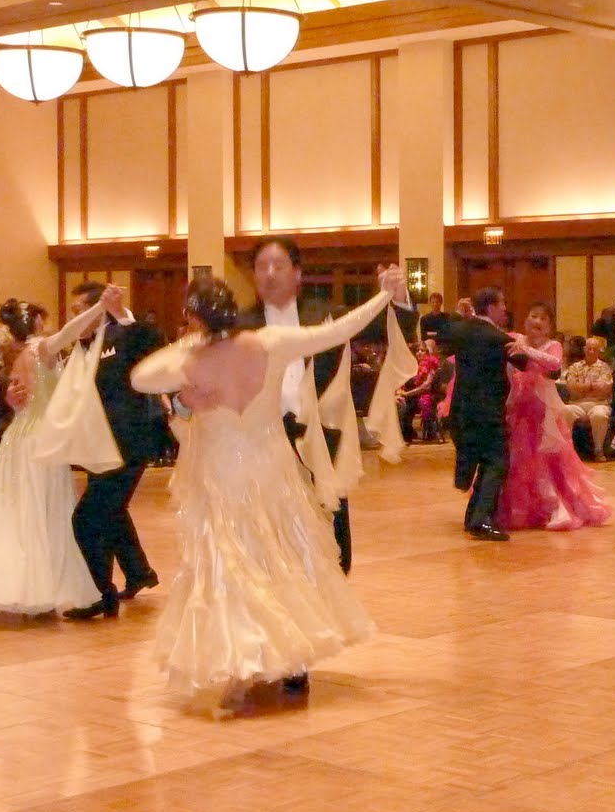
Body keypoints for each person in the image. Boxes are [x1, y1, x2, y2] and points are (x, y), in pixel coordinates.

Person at [130, 269, 408, 715]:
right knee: (280, 559)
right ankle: (283, 657)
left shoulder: (187, 361)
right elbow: (337, 330)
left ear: (193, 318)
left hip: (222, 475)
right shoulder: (270, 343)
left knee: (232, 566)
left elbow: (141, 377)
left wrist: (187, 382)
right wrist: (381, 298)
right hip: (270, 471)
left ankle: (248, 662)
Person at [238, 235, 418, 574]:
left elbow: (386, 327)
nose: (270, 274)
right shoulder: (239, 325)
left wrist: (396, 298)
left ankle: (333, 591)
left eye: (279, 265)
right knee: (270, 535)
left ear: (298, 273)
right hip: (263, 442)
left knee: (330, 533)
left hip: (321, 434)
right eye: (262, 267)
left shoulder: (327, 315)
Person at [0, 294, 116, 624]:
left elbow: (20, 398)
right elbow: (72, 332)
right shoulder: (40, 349)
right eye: (42, 319)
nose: (48, 324)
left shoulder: (20, 355)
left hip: (21, 438)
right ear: (34, 323)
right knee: (39, 516)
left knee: (15, 515)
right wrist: (100, 307)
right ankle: (31, 591)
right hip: (39, 442)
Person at [64, 282, 166, 620]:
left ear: (99, 311)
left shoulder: (121, 337)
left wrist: (122, 315)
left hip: (127, 443)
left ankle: (101, 595)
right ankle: (138, 573)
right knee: (110, 511)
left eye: (80, 310)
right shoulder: (83, 347)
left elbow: (153, 342)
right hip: (99, 446)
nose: (74, 316)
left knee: (87, 518)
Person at [496, 302, 610, 532]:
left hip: (545, 412)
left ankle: (558, 508)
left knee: (550, 462)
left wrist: (526, 350)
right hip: (519, 410)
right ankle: (526, 510)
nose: (536, 321)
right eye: (533, 316)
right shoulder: (516, 339)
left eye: (542, 319)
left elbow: (554, 364)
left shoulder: (553, 345)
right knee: (521, 462)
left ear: (548, 327)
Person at [440, 286, 530, 541]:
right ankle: (480, 520)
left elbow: (443, 335)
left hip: (461, 410)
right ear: (490, 307)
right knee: (496, 462)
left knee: (483, 462)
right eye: (502, 304)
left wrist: (458, 315)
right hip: (488, 411)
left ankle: (474, 518)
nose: (505, 309)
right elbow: (524, 363)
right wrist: (524, 346)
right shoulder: (497, 337)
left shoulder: (461, 329)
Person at [560, 335, 615, 461]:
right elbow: (571, 387)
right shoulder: (574, 367)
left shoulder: (605, 368)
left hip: (599, 403)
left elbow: (605, 389)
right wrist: (591, 386)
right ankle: (566, 450)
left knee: (599, 415)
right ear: (584, 349)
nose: (591, 351)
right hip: (577, 403)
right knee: (565, 411)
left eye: (594, 349)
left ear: (599, 351)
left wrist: (582, 388)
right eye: (589, 348)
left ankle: (598, 450)